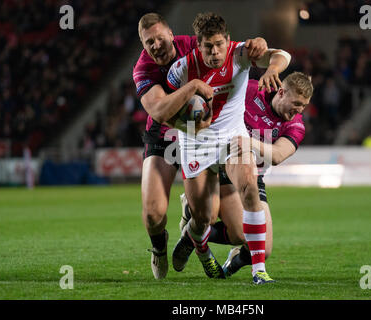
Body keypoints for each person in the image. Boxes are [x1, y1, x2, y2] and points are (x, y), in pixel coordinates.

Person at [132, 12, 268, 280]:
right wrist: (193, 86)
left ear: (171, 34)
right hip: (165, 136)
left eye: (160, 38)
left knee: (237, 230)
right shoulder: (143, 69)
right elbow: (159, 111)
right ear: (143, 45)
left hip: (206, 135)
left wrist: (260, 46)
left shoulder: (196, 45)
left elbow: (229, 51)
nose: (156, 45)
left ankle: (192, 229)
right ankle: (159, 249)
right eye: (149, 42)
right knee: (153, 214)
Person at [167, 12, 291, 284]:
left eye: (219, 44)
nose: (214, 51)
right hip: (196, 144)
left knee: (249, 187)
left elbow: (282, 54)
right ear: (198, 45)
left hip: (232, 140)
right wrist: (186, 121)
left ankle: (259, 271)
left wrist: (272, 68)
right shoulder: (181, 70)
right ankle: (198, 244)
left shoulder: (241, 54)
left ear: (228, 41)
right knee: (204, 217)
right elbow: (164, 113)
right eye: (208, 46)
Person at [178, 71, 313, 278]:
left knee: (260, 247)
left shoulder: (296, 125)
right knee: (211, 217)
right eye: (296, 103)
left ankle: (220, 254)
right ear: (281, 92)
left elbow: (277, 155)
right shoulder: (250, 90)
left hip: (253, 175)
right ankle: (195, 222)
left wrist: (249, 142)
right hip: (223, 164)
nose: (299, 110)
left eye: (303, 105)